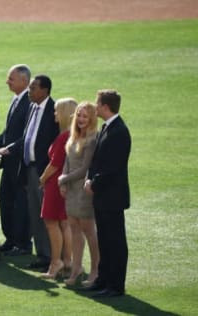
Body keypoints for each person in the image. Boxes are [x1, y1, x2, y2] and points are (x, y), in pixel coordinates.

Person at [1, 75, 60, 271]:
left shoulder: (53, 111)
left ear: (45, 90)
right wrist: (5, 149)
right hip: (29, 168)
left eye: (33, 87)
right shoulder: (32, 107)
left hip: (44, 171)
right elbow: (26, 138)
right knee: (35, 214)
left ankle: (52, 257)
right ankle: (43, 255)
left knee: (47, 217)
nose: (30, 91)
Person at [84, 89, 131, 298]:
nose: (95, 106)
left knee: (115, 241)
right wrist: (89, 178)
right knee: (104, 239)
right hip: (102, 195)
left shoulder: (119, 131)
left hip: (112, 197)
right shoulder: (107, 128)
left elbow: (112, 167)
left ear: (105, 106)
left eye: (97, 103)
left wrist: (93, 183)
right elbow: (96, 160)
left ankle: (116, 285)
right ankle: (103, 279)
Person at [0, 64, 32, 256]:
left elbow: (26, 135)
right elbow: (9, 131)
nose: (7, 82)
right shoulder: (16, 99)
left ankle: (22, 243)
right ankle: (11, 239)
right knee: (5, 198)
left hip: (20, 163)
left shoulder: (29, 102)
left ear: (24, 81)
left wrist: (5, 149)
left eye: (11, 79)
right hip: (9, 161)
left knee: (21, 204)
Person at [58, 101, 100, 286]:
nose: (81, 119)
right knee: (74, 229)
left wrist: (63, 179)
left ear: (92, 119)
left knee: (89, 232)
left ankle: (95, 272)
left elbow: (84, 169)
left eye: (85, 116)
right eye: (79, 115)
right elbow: (68, 160)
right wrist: (64, 181)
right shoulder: (73, 136)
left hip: (84, 190)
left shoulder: (92, 139)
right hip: (71, 189)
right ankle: (76, 270)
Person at [39, 98, 76, 279]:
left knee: (51, 223)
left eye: (56, 111)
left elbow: (54, 164)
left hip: (55, 184)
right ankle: (68, 261)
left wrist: (42, 178)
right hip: (66, 184)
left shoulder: (63, 136)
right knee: (64, 223)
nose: (54, 114)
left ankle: (56, 262)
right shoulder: (74, 134)